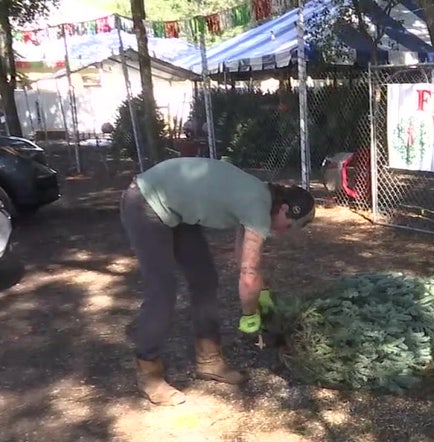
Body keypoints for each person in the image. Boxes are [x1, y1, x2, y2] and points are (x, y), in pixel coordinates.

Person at [120, 157, 316, 405]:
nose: (282, 231)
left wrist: (263, 292)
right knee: (162, 289)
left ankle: (209, 360)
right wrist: (250, 314)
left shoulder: (259, 196)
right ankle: (149, 373)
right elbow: (248, 274)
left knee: (205, 279)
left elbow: (243, 259)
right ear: (285, 209)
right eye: (288, 226)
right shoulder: (258, 205)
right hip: (146, 200)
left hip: (176, 208)